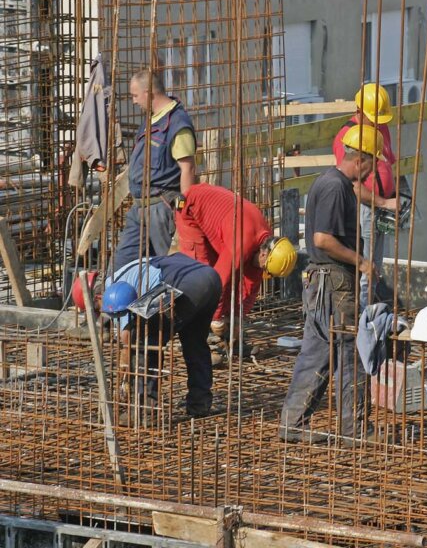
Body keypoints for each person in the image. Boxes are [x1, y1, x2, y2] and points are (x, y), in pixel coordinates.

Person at [278, 124, 382, 444]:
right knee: (352, 353)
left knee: (316, 354)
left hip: (321, 283)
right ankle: (355, 429)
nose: (373, 171)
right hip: (335, 283)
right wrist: (361, 262)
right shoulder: (337, 187)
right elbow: (323, 239)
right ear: (361, 159)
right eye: (373, 164)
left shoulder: (327, 182)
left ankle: (292, 424)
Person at [102, 253, 222, 417]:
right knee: (195, 343)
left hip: (184, 286)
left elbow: (127, 337)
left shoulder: (114, 289)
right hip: (211, 278)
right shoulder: (129, 272)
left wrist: (125, 370)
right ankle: (199, 403)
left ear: (98, 298)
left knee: (146, 341)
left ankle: (144, 409)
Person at [175, 183, 298, 342]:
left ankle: (214, 326)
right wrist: (217, 319)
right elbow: (217, 282)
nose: (263, 272)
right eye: (265, 267)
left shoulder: (264, 242)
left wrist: (237, 318)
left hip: (220, 219)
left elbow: (251, 284)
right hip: (190, 207)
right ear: (264, 253)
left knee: (221, 271)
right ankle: (200, 335)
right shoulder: (243, 243)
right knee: (203, 276)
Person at [114, 69, 197, 271]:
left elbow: (188, 169)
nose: (133, 101)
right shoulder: (151, 121)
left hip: (161, 209)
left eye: (135, 95)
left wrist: (184, 211)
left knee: (167, 268)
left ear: (148, 93)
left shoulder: (177, 124)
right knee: (121, 267)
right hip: (139, 207)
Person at [332, 83, 399, 307]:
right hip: (365, 207)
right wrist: (385, 202)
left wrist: (398, 193)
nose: (379, 123)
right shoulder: (348, 136)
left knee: (375, 266)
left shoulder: (380, 127)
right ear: (359, 111)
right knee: (366, 268)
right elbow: (352, 185)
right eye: (374, 118)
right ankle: (361, 318)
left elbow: (389, 162)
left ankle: (368, 311)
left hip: (380, 207)